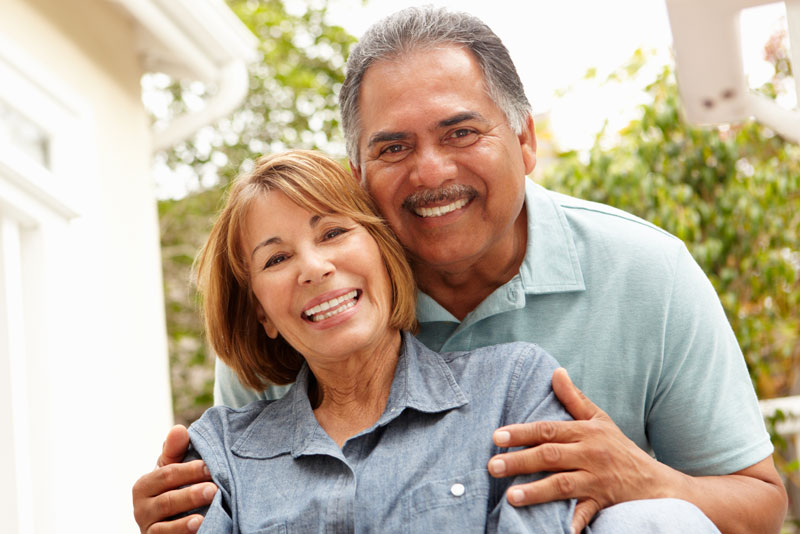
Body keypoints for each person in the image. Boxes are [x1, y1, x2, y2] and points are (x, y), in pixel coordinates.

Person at [132, 7, 787, 534]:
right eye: (393, 147)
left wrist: (645, 478)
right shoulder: (322, 303)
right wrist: (179, 511)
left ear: (526, 141)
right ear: (359, 177)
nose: (431, 172)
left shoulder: (644, 271)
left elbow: (761, 504)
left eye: (461, 133)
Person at [174, 149, 716, 533]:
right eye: (276, 258)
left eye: (333, 232)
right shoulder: (221, 450)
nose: (313, 268)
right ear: (262, 314)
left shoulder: (515, 387)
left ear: (385, 255)